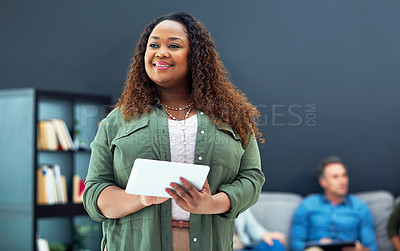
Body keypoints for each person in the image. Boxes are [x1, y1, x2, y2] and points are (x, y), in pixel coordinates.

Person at [83, 12, 265, 251]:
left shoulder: (232, 118)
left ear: (196, 57)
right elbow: (95, 191)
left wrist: (211, 204)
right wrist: (140, 198)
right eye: (154, 44)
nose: (161, 52)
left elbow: (252, 179)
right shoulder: (117, 120)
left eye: (174, 45)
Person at [289, 156, 378, 251]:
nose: (342, 181)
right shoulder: (307, 205)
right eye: (335, 177)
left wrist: (360, 249)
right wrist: (316, 245)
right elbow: (295, 243)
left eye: (344, 175)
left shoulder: (360, 207)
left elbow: (371, 247)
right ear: (323, 182)